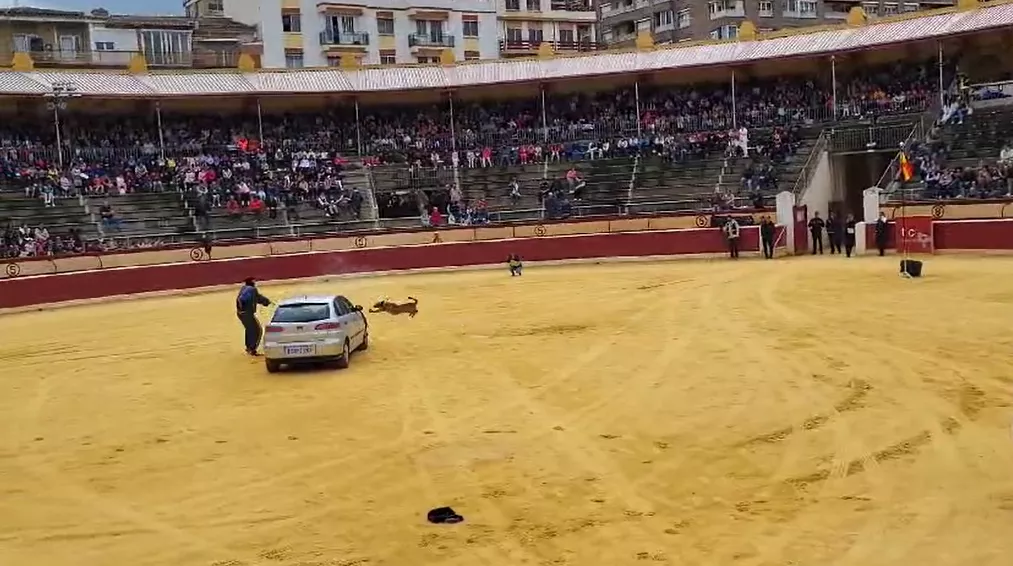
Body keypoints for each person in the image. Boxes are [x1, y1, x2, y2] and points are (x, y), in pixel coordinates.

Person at [236, 277, 272, 356]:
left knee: (250, 329)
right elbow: (244, 299)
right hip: (246, 313)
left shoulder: (244, 288)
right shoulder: (252, 289)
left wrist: (265, 301)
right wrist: (266, 302)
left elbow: (257, 297)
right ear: (252, 282)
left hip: (241, 313)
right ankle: (252, 348)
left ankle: (249, 347)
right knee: (257, 330)